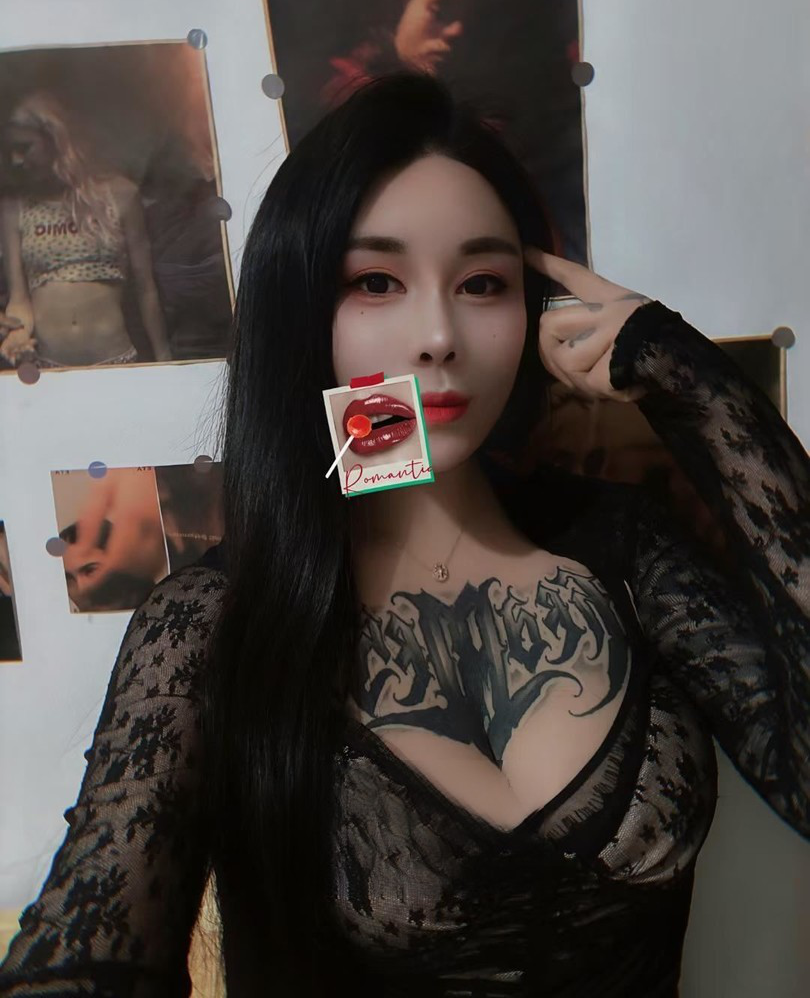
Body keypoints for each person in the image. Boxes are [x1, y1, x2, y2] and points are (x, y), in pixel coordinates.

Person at [0, 70, 808, 997]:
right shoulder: (211, 624)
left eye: (483, 283)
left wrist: (686, 378)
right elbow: (88, 948)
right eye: (376, 282)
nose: (437, 335)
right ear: (304, 311)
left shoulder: (626, 549)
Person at [0, 91, 171, 369]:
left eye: (24, 147)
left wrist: (165, 358)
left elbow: (146, 288)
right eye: (10, 152)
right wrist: (17, 334)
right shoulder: (14, 208)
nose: (16, 160)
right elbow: (19, 297)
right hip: (49, 366)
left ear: (54, 139)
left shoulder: (120, 194)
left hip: (116, 360)